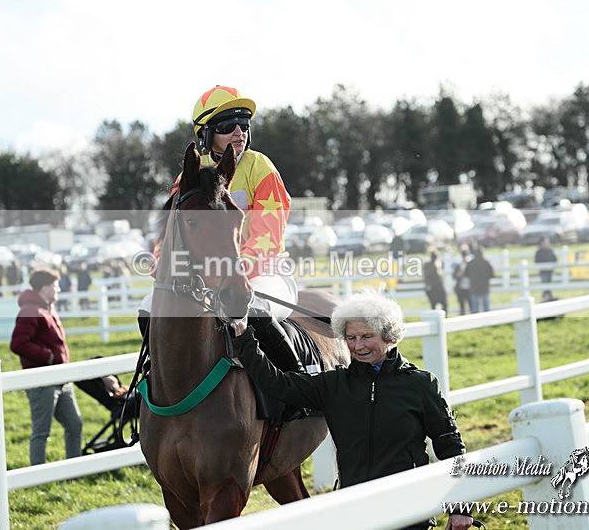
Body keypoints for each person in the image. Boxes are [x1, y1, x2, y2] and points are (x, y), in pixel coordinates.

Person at [229, 287, 473, 530]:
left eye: (367, 336)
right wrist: (244, 338)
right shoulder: (333, 385)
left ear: (388, 336)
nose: (358, 346)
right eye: (351, 338)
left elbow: (450, 445)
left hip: (409, 509)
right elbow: (278, 384)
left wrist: (460, 508)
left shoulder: (420, 385)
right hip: (356, 510)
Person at [139, 85, 303, 375]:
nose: (239, 132)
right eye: (228, 126)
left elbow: (268, 237)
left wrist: (230, 273)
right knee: (149, 306)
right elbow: (169, 233)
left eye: (244, 125)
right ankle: (158, 376)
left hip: (265, 273)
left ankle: (300, 384)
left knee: (257, 310)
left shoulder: (260, 167)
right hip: (210, 278)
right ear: (206, 133)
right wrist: (164, 263)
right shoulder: (188, 176)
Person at [10, 269, 83, 465]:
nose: (58, 289)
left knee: (75, 424)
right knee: (41, 431)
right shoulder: (29, 311)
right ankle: (38, 475)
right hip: (42, 380)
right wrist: (48, 356)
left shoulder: (48, 308)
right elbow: (18, 344)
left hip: (60, 378)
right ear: (45, 287)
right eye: (55, 285)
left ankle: (74, 471)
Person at [464, 247, 494, 313]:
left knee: (475, 308)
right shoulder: (486, 263)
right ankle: (487, 320)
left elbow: (466, 274)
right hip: (484, 286)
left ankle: (475, 321)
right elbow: (492, 275)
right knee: (486, 307)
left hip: (474, 286)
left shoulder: (471, 263)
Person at [452, 246, 471, 316]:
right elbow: (454, 276)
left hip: (469, 287)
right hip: (461, 288)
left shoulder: (470, 264)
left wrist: (464, 273)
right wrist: (458, 274)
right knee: (462, 306)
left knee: (471, 305)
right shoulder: (458, 265)